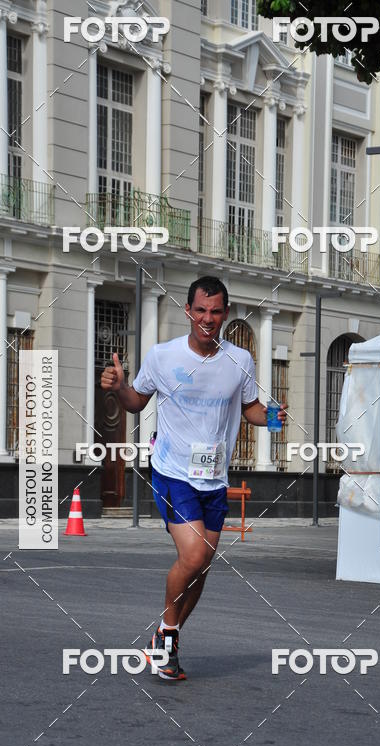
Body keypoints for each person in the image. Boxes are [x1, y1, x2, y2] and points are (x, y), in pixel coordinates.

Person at [100, 275, 286, 680]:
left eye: (216, 311)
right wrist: (118, 389)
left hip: (214, 477)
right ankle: (167, 635)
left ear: (225, 314)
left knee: (202, 568)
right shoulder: (164, 356)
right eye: (200, 310)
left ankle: (164, 642)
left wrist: (272, 418)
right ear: (188, 311)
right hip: (172, 471)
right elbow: (136, 402)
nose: (208, 318)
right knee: (195, 555)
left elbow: (250, 407)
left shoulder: (240, 361)